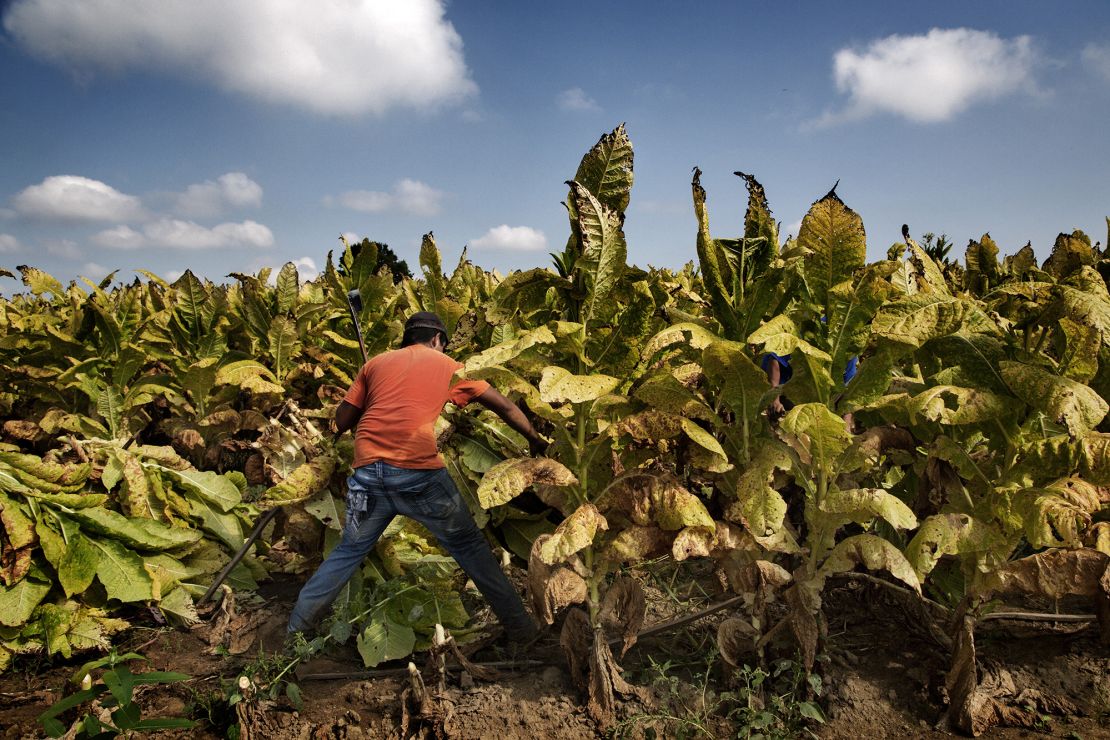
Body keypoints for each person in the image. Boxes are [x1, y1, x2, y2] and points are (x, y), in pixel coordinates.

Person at [287, 312, 546, 641]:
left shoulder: (375, 365)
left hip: (367, 472)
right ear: (437, 339)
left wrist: (368, 402)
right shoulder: (451, 367)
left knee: (348, 551)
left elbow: (342, 420)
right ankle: (522, 632)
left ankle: (295, 634)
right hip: (418, 472)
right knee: (469, 546)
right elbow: (504, 407)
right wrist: (535, 438)